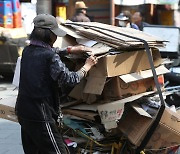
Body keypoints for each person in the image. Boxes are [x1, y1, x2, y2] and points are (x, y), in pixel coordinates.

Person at [15, 14, 97, 154]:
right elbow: (70, 79)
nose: (57, 38)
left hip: (23, 111)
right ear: (49, 35)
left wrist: (71, 50)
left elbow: (47, 51)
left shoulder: (28, 51)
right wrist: (87, 67)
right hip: (40, 114)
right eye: (55, 34)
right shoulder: (49, 56)